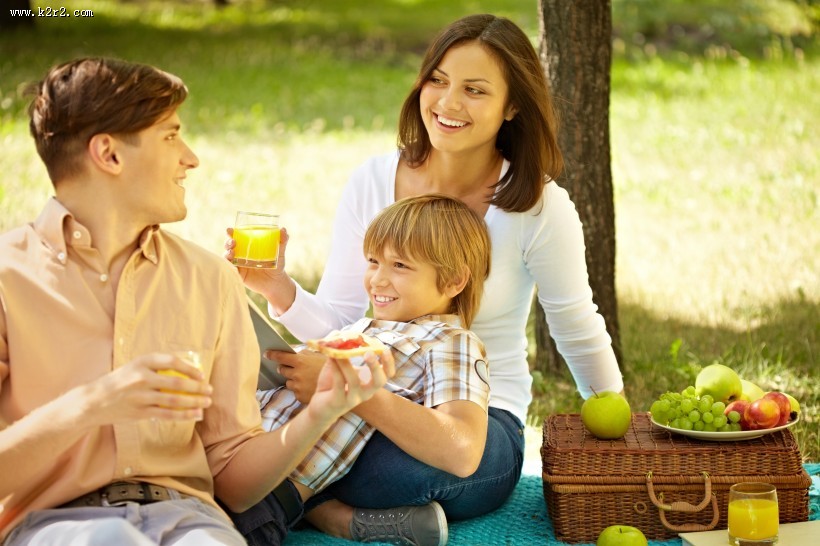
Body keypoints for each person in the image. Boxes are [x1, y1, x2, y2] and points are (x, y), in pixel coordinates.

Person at [228, 12, 625, 544]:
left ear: (511, 107)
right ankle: (333, 511)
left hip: (474, 416)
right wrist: (276, 286)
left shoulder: (538, 208)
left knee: (394, 472)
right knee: (258, 423)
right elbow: (344, 315)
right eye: (437, 80)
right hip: (360, 404)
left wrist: (619, 431)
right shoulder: (373, 180)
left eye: (475, 90)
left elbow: (576, 325)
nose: (448, 103)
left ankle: (314, 506)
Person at [0, 57, 392, 546]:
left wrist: (323, 411)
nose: (191, 158)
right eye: (170, 136)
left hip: (187, 521)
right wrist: (94, 404)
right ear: (109, 154)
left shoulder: (209, 279)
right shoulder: (8, 277)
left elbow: (235, 482)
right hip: (53, 523)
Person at [227, 193, 492, 546]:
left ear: (454, 281)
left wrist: (347, 390)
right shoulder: (361, 329)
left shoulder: (449, 340)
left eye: (400, 266)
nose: (378, 281)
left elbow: (463, 450)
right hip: (228, 456)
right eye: (373, 261)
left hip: (268, 493)